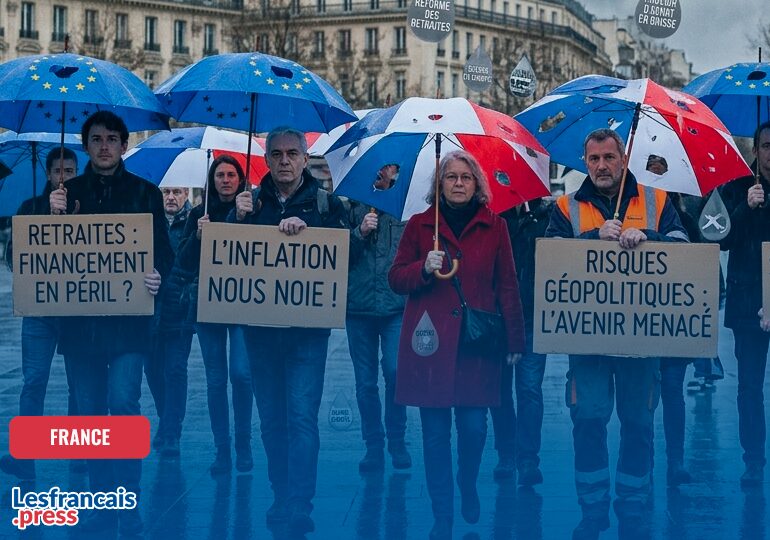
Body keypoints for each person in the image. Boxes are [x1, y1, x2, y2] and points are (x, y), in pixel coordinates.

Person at [545, 129, 687, 540]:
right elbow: (550, 256)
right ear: (585, 163)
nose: (603, 166)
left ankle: (632, 509)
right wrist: (593, 238)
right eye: (595, 159)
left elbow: (684, 244)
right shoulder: (565, 207)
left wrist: (650, 239)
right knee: (588, 419)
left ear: (624, 160)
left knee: (639, 423)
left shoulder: (657, 202)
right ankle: (592, 513)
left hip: (642, 343)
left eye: (610, 157)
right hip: (586, 342)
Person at [48, 111, 174, 536]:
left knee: (122, 405)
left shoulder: (145, 193)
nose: (104, 146)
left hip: (128, 328)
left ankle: (128, 495)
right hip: (80, 328)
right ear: (86, 146)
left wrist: (156, 273)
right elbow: (43, 258)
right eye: (97, 139)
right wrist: (53, 218)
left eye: (112, 139)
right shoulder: (67, 194)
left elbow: (165, 254)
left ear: (124, 146)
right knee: (88, 416)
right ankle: (103, 500)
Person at [388, 150, 525, 540]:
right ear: (440, 184)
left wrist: (515, 338)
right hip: (429, 345)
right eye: (451, 177)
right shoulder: (418, 227)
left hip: (477, 344)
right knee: (433, 436)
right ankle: (442, 513)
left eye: (466, 177)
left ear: (477, 184)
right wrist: (422, 269)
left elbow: (508, 285)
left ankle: (467, 483)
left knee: (473, 429)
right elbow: (396, 278)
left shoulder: (494, 226)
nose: (459, 183)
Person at [230, 127, 347, 535]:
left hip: (306, 336)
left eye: (292, 153)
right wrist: (235, 217)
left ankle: (300, 501)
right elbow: (218, 258)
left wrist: (313, 233)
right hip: (260, 334)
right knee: (271, 421)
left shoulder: (326, 204)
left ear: (304, 156)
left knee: (301, 419)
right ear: (265, 159)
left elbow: (348, 256)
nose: (284, 160)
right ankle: (280, 493)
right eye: (276, 154)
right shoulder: (249, 202)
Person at [0, 148, 82, 481]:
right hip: (40, 311)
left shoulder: (90, 207)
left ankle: (80, 454)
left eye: (71, 170)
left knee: (80, 385)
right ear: (49, 175)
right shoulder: (29, 208)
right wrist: (46, 219)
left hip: (79, 311)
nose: (65, 176)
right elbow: (12, 258)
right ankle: (27, 459)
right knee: (34, 383)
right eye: (60, 171)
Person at [172, 156, 253, 472]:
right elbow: (184, 261)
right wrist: (198, 236)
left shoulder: (252, 209)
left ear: (240, 179)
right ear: (212, 179)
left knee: (242, 375)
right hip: (207, 305)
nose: (226, 180)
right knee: (216, 380)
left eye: (232, 174)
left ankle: (243, 444)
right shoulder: (198, 213)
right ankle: (223, 449)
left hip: (244, 304)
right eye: (220, 174)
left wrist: (243, 218)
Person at [347, 164, 411, 473]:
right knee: (365, 383)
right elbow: (334, 254)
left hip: (396, 306)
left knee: (396, 372)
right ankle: (373, 445)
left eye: (385, 167)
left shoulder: (406, 210)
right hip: (358, 308)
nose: (377, 172)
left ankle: (397, 440)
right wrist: (359, 233)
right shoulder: (349, 205)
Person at [719, 120, 770, 486]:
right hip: (748, 302)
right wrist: (745, 208)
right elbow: (717, 237)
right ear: (756, 151)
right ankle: (753, 460)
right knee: (749, 387)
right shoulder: (738, 186)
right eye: (767, 146)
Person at [491, 198, 552, 485]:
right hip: (498, 319)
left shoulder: (545, 215)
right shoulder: (491, 217)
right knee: (500, 391)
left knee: (529, 390)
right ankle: (506, 453)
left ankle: (528, 459)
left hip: (532, 317)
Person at [146, 186, 192, 451]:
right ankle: (168, 419)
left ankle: (171, 431)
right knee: (152, 370)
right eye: (166, 192)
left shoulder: (195, 220)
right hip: (150, 309)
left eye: (176, 192)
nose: (171, 197)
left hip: (179, 308)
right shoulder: (149, 220)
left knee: (175, 369)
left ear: (186, 194)